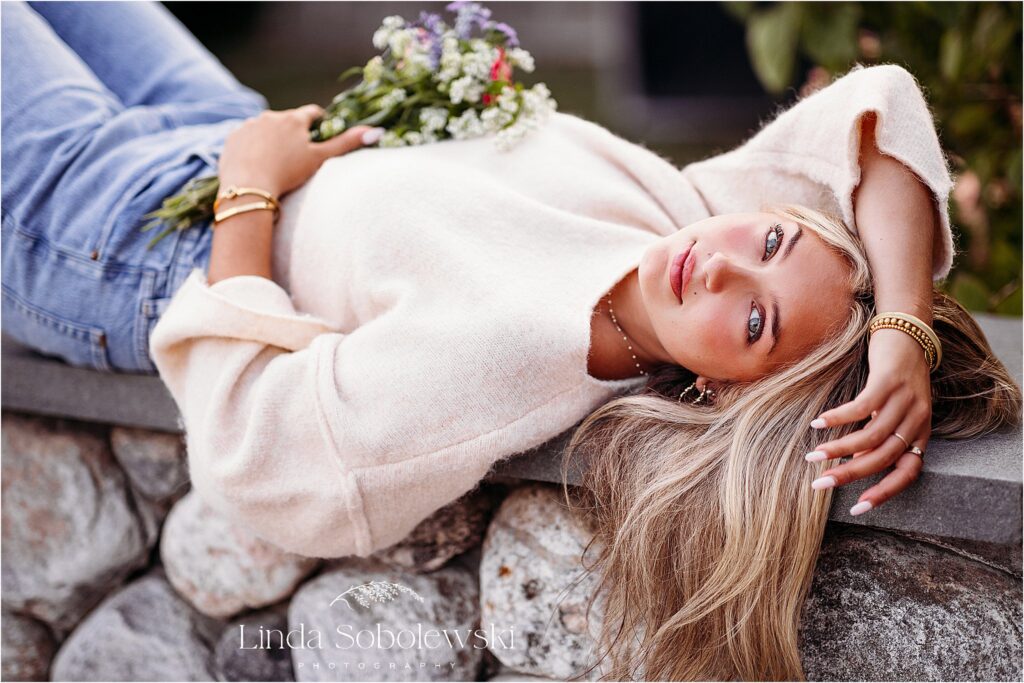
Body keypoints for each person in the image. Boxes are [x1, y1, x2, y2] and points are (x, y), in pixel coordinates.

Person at [2, 4, 1019, 679]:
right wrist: (898, 326)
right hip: (232, 129)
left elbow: (250, 450)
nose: (717, 264)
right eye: (768, 239)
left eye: (751, 320)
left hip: (119, 236)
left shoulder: (498, 370)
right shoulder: (682, 213)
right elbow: (878, 111)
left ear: (719, 390)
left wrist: (249, 187)